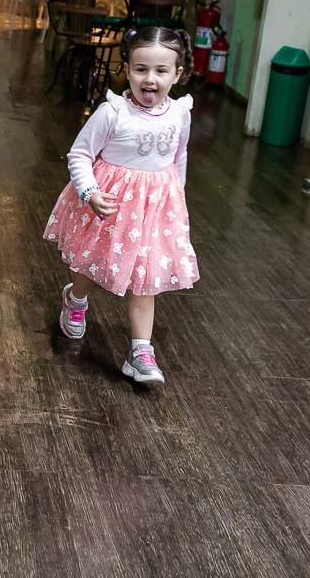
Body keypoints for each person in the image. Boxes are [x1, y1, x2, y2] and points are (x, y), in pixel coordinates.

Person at [42, 27, 200, 385]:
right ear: (126, 68)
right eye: (141, 69)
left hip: (156, 210)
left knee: (145, 280)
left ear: (178, 73)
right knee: (90, 261)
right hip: (110, 205)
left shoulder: (181, 113)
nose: (150, 78)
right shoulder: (112, 112)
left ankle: (141, 351)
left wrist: (179, 196)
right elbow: (80, 154)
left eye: (161, 71)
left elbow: (179, 156)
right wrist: (89, 193)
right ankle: (77, 300)